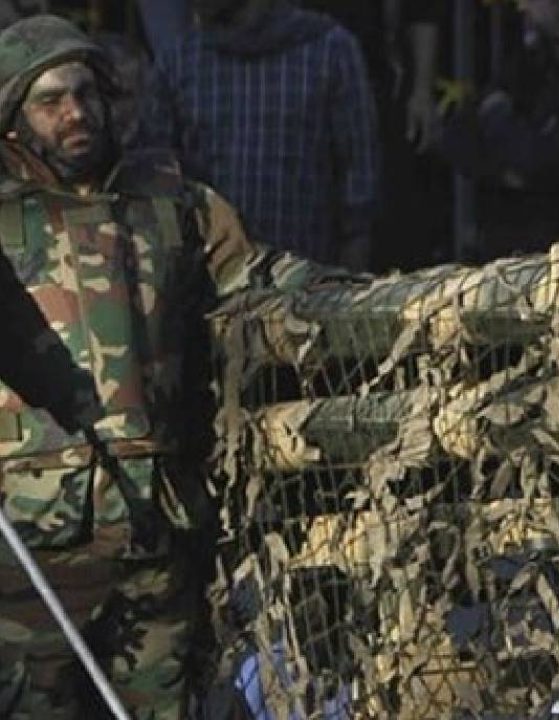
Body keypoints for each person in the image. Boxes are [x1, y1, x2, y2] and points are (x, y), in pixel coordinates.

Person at [0, 15, 345, 718]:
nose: (76, 113)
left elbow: (258, 277)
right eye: (51, 100)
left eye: (87, 93)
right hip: (33, 551)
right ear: (12, 121)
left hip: (159, 527)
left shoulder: (173, 199)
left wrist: (356, 296)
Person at [143, 0, 380, 271]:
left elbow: (359, 187)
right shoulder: (178, 62)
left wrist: (350, 289)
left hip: (307, 284)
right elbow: (158, 186)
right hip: (209, 289)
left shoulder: (329, 51)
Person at [435, 0, 559, 261]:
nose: (521, 7)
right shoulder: (533, 62)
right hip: (507, 257)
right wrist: (509, 170)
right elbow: (457, 137)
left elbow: (545, 164)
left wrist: (500, 126)